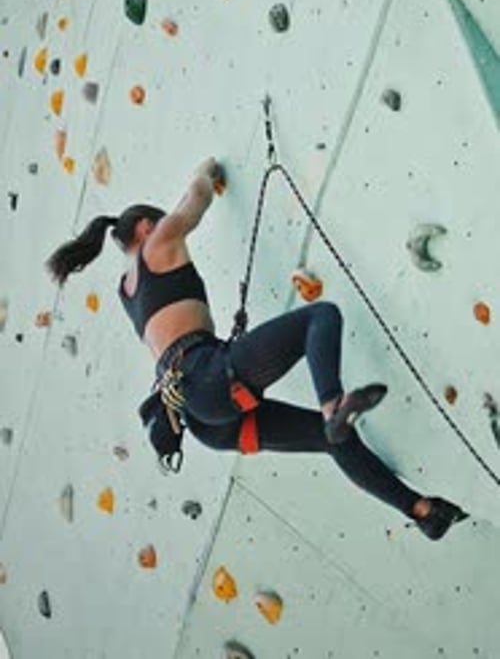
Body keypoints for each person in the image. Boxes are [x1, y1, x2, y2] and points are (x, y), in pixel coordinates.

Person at [45, 156, 468, 540]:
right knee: (321, 318)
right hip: (208, 376)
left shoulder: (126, 291)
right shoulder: (159, 241)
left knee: (332, 441)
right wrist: (206, 172)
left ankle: (423, 511)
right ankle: (331, 407)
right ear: (144, 228)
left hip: (205, 420)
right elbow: (195, 199)